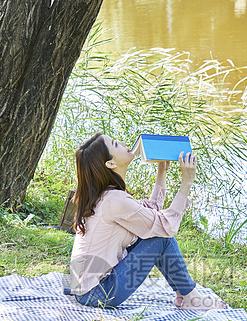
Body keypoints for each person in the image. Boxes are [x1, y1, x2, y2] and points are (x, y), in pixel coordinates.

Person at [70, 132, 228, 311]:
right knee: (161, 238)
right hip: (98, 293)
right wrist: (187, 182)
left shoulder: (109, 195)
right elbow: (165, 227)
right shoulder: (115, 200)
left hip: (87, 291)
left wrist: (162, 172)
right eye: (116, 144)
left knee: (154, 233)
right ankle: (191, 297)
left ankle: (185, 294)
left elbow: (149, 216)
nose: (123, 141)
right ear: (110, 164)